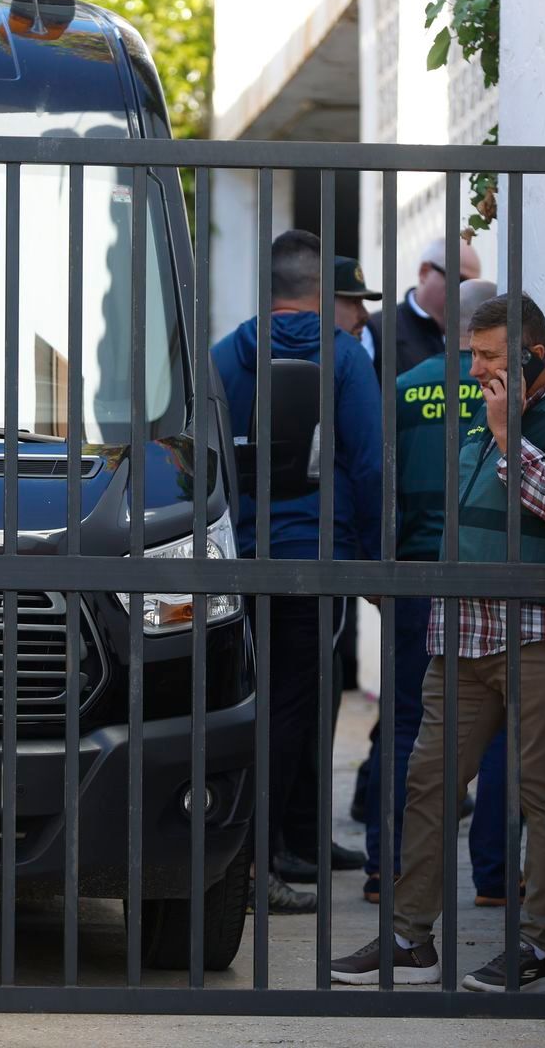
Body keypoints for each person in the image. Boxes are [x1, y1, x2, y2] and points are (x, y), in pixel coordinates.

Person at [330, 293, 545, 992]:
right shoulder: (484, 418)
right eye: (472, 353)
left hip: (535, 632)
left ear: (531, 354)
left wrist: (501, 432)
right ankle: (410, 939)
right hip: (460, 635)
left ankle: (538, 949)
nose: (474, 367)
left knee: (540, 792)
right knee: (427, 784)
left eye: (488, 356)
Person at [213, 230, 384, 915]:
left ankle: (244, 859)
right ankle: (262, 863)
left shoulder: (226, 354)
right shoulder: (344, 358)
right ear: (320, 292)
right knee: (294, 713)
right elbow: (370, 464)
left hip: (237, 563)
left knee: (241, 710)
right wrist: (374, 562)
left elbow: (196, 456)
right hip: (316, 564)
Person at [360, 276, 519, 910]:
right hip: (488, 575)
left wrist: (381, 562)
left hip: (415, 574)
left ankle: (387, 868)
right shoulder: (504, 388)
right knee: (504, 721)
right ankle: (496, 876)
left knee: (405, 724)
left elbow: (378, 477)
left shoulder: (404, 387)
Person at [392, 238, 483, 376]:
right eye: (459, 280)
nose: (464, 291)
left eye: (470, 285)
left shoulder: (478, 334)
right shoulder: (379, 331)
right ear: (424, 272)